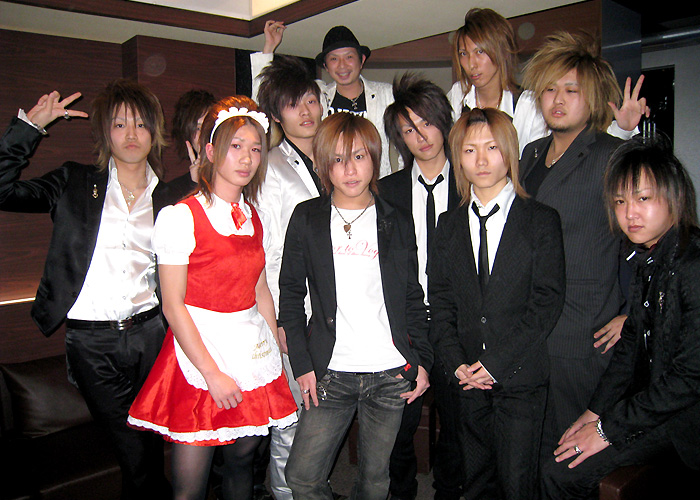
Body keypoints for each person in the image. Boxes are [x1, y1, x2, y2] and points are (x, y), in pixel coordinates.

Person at [0, 80, 196, 499]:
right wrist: (28, 128)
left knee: (147, 445)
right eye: (120, 124)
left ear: (155, 133)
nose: (131, 134)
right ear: (106, 132)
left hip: (151, 335)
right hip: (91, 343)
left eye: (140, 124)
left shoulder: (169, 197)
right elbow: (3, 189)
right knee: (134, 449)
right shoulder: (74, 181)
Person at [127, 96, 298, 500]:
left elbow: (260, 289)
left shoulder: (254, 216)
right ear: (209, 151)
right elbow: (173, 305)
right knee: (191, 485)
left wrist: (273, 345)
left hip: (250, 348)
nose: (247, 158)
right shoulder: (181, 216)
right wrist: (212, 374)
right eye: (236, 146)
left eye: (255, 148)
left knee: (242, 463)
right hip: (200, 349)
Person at [278, 112, 432, 500]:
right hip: (330, 372)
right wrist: (302, 364)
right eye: (338, 159)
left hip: (389, 371)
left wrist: (423, 361)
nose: (349, 170)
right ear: (324, 164)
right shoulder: (308, 217)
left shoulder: (395, 220)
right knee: (301, 476)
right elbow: (290, 294)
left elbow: (412, 296)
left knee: (375, 481)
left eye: (359, 157)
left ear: (374, 159)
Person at [540, 136, 700, 498]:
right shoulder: (649, 259)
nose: (630, 214)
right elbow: (628, 350)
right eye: (620, 202)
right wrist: (594, 412)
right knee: (560, 450)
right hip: (656, 407)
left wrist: (606, 429)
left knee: (560, 474)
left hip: (683, 422)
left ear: (673, 197)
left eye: (643, 199)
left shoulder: (692, 265)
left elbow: (688, 380)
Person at [429, 107, 565, 500]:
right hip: (467, 377)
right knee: (475, 482)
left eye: (492, 147)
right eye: (470, 150)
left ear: (510, 151)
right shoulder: (448, 224)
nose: (482, 160)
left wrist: (496, 363)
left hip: (520, 377)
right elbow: (440, 299)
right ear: (459, 159)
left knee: (517, 484)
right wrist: (455, 361)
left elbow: (547, 302)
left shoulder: (541, 219)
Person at [517, 31, 638, 465]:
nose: (558, 99)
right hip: (529, 327)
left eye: (572, 90)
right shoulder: (530, 154)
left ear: (593, 98)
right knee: (529, 446)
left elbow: (649, 238)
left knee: (571, 454)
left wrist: (634, 313)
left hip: (580, 331)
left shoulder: (613, 155)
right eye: (550, 89)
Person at [379, 73, 464, 500]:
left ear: (443, 121)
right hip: (406, 325)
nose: (421, 136)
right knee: (399, 424)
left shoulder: (471, 185)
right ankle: (402, 492)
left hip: (456, 322)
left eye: (427, 123)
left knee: (457, 422)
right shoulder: (386, 192)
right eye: (409, 129)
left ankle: (448, 491)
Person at [254, 53, 323, 500]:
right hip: (292, 311)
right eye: (293, 104)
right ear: (277, 115)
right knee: (291, 418)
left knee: (320, 416)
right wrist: (278, 319)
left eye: (311, 100)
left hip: (331, 310)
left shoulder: (335, 156)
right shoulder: (271, 167)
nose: (306, 111)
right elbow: (265, 253)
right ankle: (285, 494)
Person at [447, 8, 647, 154]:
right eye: (463, 53)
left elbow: (567, 146)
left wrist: (622, 129)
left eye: (480, 52)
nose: (471, 63)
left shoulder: (528, 105)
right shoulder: (457, 96)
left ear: (500, 50)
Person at [251, 20, 397, 177]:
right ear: (326, 66)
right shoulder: (318, 95)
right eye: (334, 59)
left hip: (376, 183)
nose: (342, 65)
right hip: (331, 182)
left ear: (361, 60)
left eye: (349, 57)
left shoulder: (386, 94)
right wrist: (269, 49)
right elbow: (265, 100)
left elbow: (403, 144)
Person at [171, 88, 217, 177]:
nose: (204, 134)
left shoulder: (239, 176)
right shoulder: (178, 185)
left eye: (209, 126)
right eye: (198, 128)